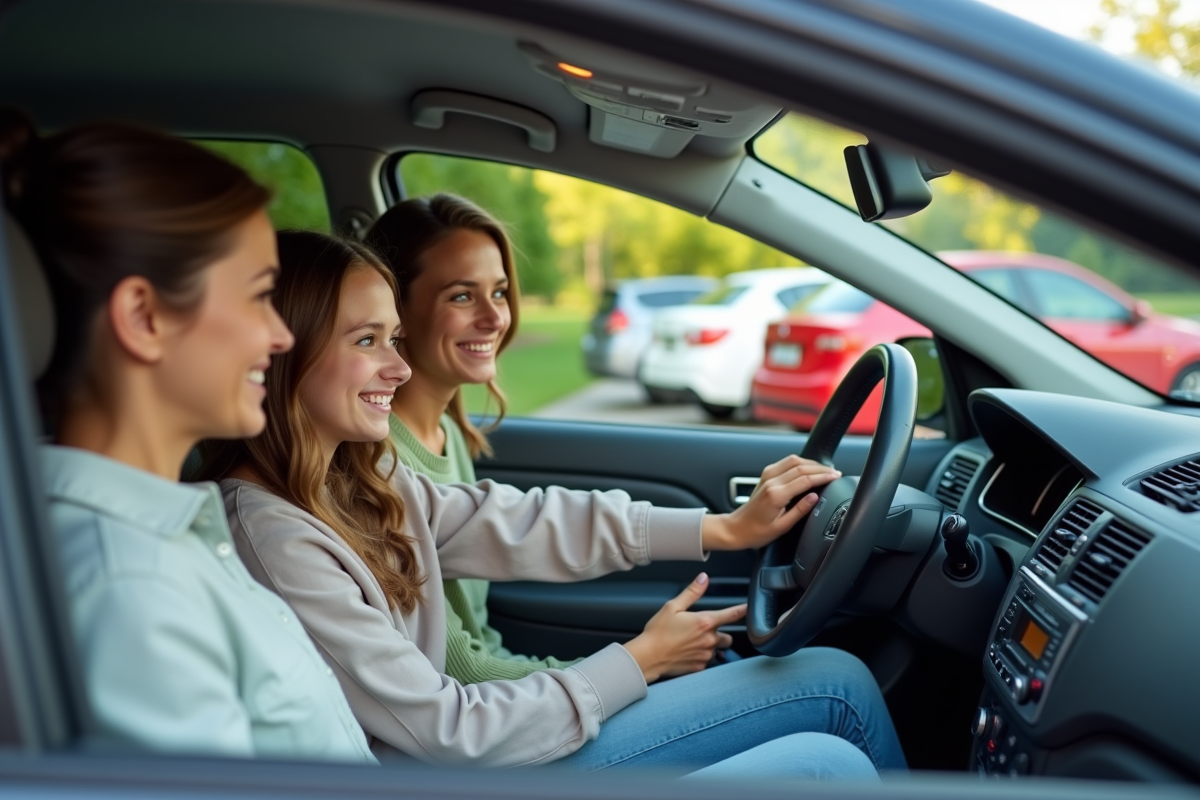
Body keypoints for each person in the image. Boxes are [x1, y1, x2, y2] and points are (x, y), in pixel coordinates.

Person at [202, 230, 904, 777]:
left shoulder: (355, 481)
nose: (400, 367)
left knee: (836, 678)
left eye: (393, 339)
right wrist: (638, 661)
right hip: (461, 774)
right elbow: (450, 731)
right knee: (831, 748)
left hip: (490, 747)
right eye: (367, 341)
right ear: (284, 352)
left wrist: (719, 529)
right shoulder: (277, 539)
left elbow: (519, 523)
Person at [0, 110, 373, 761]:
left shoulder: (164, 536)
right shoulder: (132, 590)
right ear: (144, 317)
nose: (280, 336)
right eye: (259, 296)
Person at [366, 194, 581, 683]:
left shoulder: (448, 433)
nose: (495, 318)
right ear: (396, 312)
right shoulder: (380, 463)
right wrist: (641, 665)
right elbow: (459, 672)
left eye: (499, 293)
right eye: (462, 296)